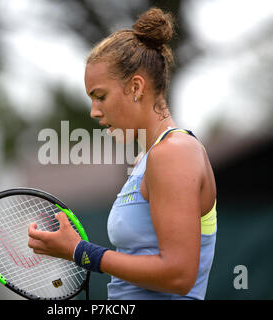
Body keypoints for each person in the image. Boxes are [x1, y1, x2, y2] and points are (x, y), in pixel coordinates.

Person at [28, 7, 217, 300]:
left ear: (136, 87)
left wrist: (80, 252)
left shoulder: (174, 153)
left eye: (100, 96)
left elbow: (179, 274)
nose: (94, 111)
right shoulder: (145, 159)